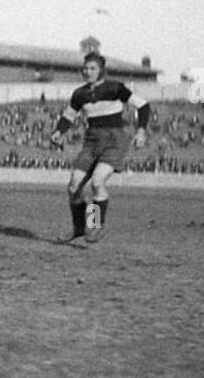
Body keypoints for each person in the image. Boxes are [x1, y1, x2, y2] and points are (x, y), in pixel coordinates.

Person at [50, 51, 151, 243]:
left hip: (114, 141)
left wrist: (141, 131)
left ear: (101, 70)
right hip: (91, 142)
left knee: (97, 182)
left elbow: (143, 106)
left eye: (93, 68)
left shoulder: (115, 88)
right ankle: (79, 228)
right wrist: (59, 131)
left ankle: (95, 226)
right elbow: (68, 116)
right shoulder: (80, 94)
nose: (88, 72)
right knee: (73, 187)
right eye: (85, 68)